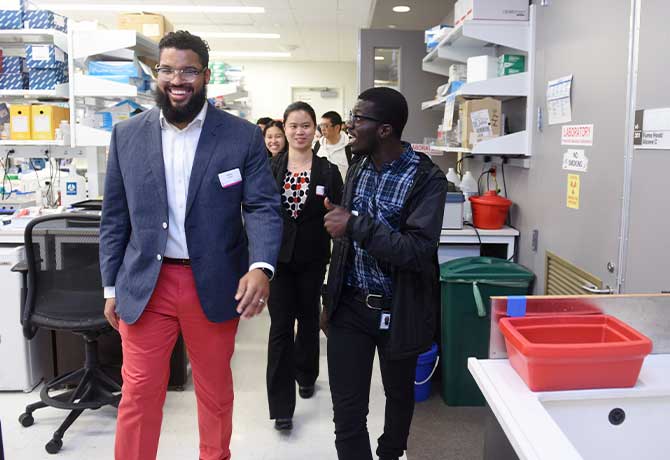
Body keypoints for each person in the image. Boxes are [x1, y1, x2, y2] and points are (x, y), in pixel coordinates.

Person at [99, 31, 282, 460]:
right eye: (167, 69)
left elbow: (262, 207)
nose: (176, 80)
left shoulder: (240, 137)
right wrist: (110, 287)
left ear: (206, 75)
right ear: (155, 73)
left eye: (188, 70)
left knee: (215, 392)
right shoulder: (127, 136)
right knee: (139, 393)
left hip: (215, 283)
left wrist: (261, 266)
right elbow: (114, 219)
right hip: (147, 283)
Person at [322, 87, 448, 460]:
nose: (349, 126)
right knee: (346, 414)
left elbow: (417, 251)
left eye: (358, 119)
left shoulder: (427, 179)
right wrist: (329, 299)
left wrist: (356, 224)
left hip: (400, 310)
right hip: (350, 306)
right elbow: (343, 243)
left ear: (385, 130)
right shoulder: (358, 166)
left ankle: (390, 455)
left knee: (398, 401)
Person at [266, 101, 343, 432]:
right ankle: (281, 407)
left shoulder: (328, 171)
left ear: (316, 130)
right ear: (285, 128)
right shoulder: (270, 169)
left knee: (309, 319)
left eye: (306, 125)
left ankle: (307, 373)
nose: (300, 131)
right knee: (281, 327)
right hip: (278, 261)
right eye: (294, 125)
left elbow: (340, 216)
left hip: (313, 258)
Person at [315, 111, 352, 178]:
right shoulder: (318, 145)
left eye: (326, 126)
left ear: (337, 127)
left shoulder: (349, 148)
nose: (322, 129)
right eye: (321, 125)